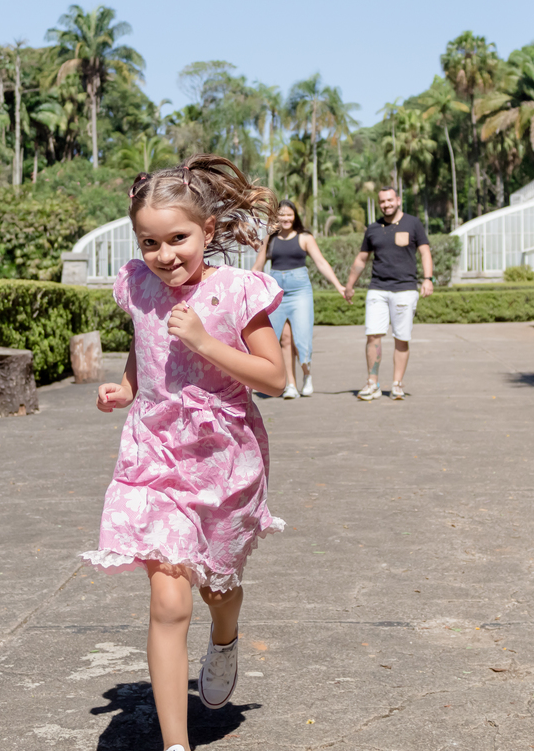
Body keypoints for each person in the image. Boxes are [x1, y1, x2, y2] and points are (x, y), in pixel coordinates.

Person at [85, 155, 287, 751]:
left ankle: (225, 639)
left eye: (178, 238)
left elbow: (274, 378)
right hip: (152, 457)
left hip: (224, 462)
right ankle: (177, 745)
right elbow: (144, 343)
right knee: (168, 597)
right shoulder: (141, 283)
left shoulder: (235, 292)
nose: (165, 254)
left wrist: (203, 340)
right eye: (150, 241)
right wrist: (127, 386)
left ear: (208, 230)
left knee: (217, 591)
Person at [343, 185, 434, 400]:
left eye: (390, 200)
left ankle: (397, 384)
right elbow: (361, 259)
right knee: (372, 335)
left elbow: (425, 252)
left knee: (401, 338)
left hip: (405, 290)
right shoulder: (373, 228)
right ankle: (372, 383)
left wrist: (428, 279)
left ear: (398, 200)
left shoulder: (413, 223)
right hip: (377, 289)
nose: (386, 205)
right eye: (382, 201)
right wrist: (349, 285)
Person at [251, 199, 347, 399]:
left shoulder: (304, 237)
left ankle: (307, 374)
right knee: (283, 339)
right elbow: (257, 267)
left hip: (300, 292)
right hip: (277, 292)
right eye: (282, 215)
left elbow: (321, 262)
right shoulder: (271, 238)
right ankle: (291, 385)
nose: (285, 218)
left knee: (301, 339)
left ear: (294, 216)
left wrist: (339, 286)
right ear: (276, 217)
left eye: (289, 214)